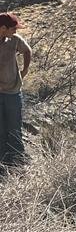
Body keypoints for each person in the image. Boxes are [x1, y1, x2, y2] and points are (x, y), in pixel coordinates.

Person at [0, 13, 31, 168]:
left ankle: (18, 160)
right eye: (13, 28)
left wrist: (24, 71)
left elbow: (27, 51)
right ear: (3, 28)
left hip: (12, 91)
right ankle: (3, 162)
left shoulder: (14, 40)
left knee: (14, 127)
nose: (15, 31)